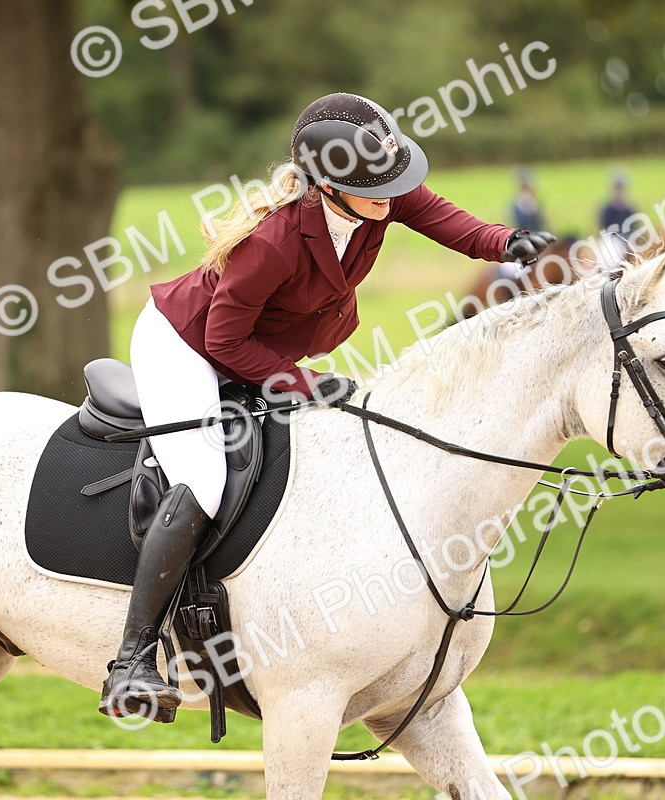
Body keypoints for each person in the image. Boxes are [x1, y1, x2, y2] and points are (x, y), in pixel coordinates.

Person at [99, 92, 554, 721]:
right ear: (329, 185)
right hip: (186, 346)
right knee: (202, 480)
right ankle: (133, 659)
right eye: (378, 188)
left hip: (255, 344)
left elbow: (445, 218)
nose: (394, 197)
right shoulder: (275, 240)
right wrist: (302, 384)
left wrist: (508, 242)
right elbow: (223, 339)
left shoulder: (376, 191)